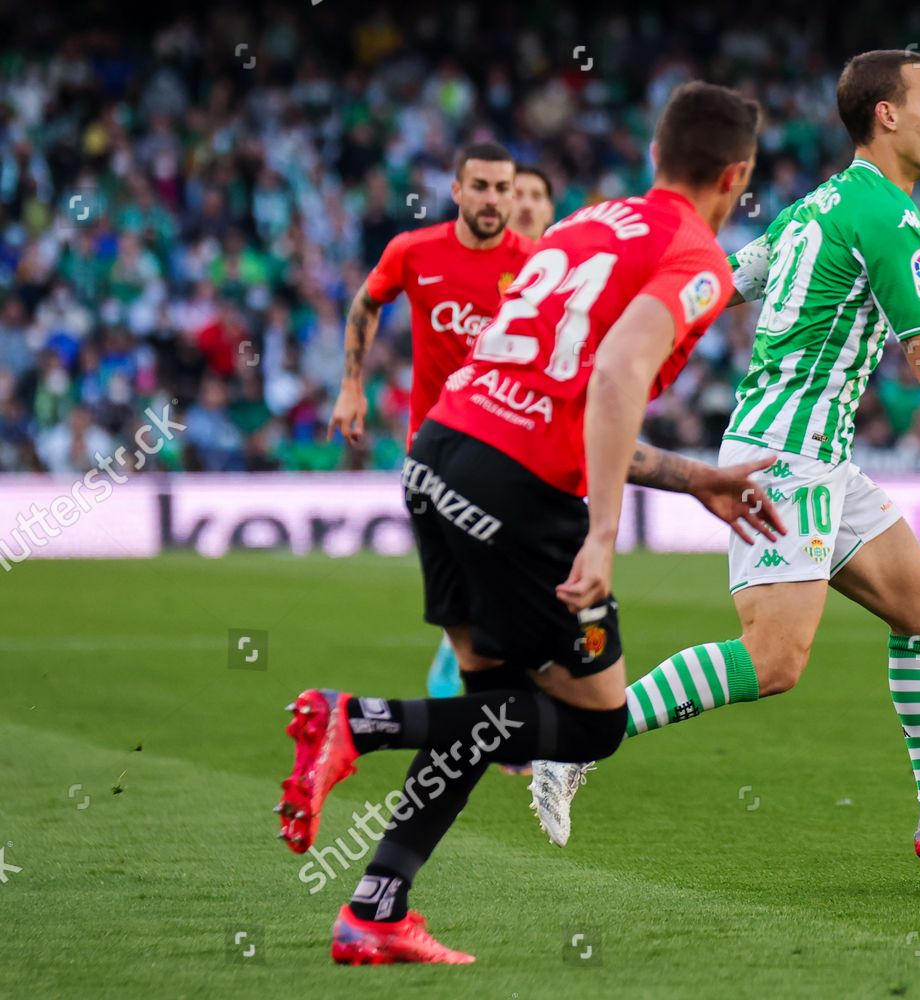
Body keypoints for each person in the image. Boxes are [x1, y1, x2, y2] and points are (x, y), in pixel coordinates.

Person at [530, 50, 920, 881]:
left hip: (813, 453)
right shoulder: (887, 217)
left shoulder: (810, 209)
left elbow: (723, 282)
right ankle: (577, 734)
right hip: (784, 457)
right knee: (774, 661)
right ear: (887, 116)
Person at [275, 81, 770, 964]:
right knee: (592, 724)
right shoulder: (698, 258)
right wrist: (604, 533)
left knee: (490, 710)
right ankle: (361, 720)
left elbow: (564, 395)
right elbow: (616, 377)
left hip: (436, 456)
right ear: (735, 178)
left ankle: (375, 910)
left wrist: (696, 478)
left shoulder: (584, 224)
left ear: (656, 155)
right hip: (517, 495)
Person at [327, 143, 535, 699]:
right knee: (466, 609)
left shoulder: (536, 265)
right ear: (457, 191)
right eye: (481, 186)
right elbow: (366, 303)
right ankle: (484, 711)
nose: (492, 199)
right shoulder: (414, 252)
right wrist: (352, 385)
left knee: (507, 598)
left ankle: (490, 716)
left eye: (502, 188)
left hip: (508, 452)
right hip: (434, 454)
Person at [509, 165, 556, 242]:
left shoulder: (565, 253)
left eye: (536, 196)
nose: (527, 206)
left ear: (551, 212)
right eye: (517, 195)